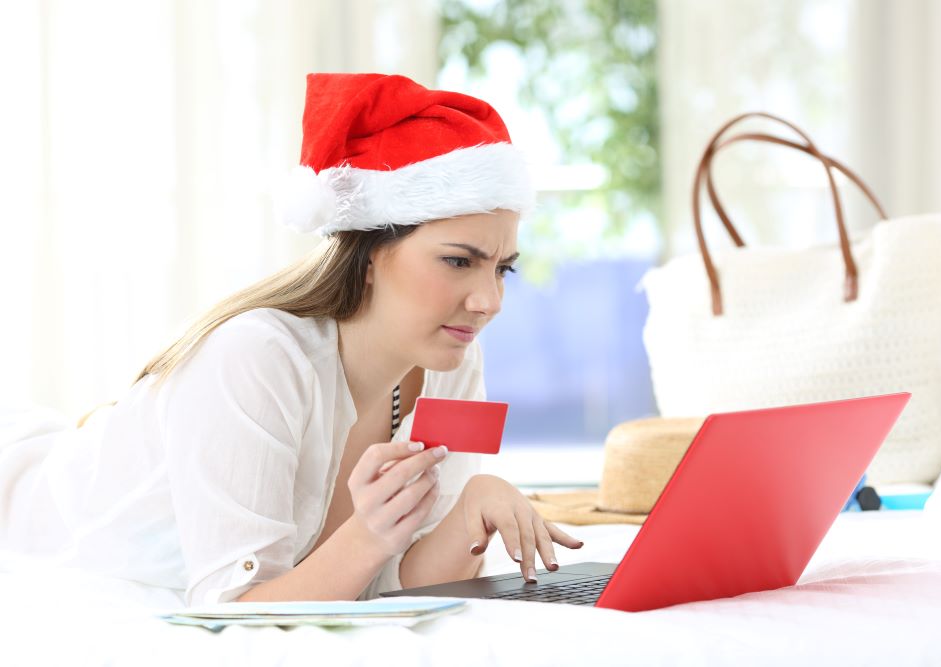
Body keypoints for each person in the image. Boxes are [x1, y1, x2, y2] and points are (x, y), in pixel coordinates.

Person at [0, 72, 583, 607]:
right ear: (370, 255)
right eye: (458, 261)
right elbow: (235, 609)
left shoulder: (454, 358)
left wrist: (472, 509)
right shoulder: (254, 358)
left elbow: (397, 580)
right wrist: (367, 535)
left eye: (503, 268)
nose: (489, 301)